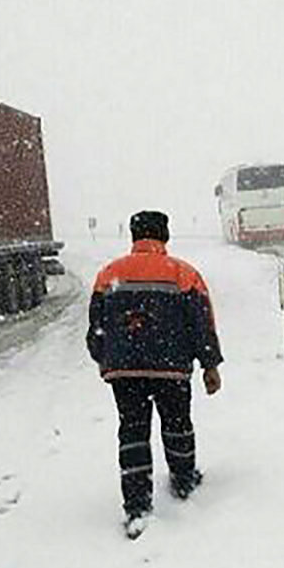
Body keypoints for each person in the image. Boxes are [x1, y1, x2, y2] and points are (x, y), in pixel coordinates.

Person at [86, 210, 223, 539]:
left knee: (132, 431)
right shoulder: (183, 274)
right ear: (164, 237)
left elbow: (96, 328)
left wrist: (106, 358)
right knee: (177, 424)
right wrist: (209, 364)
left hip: (124, 372)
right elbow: (201, 324)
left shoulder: (108, 274)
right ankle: (184, 480)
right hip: (171, 367)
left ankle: (137, 505)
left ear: (134, 237)